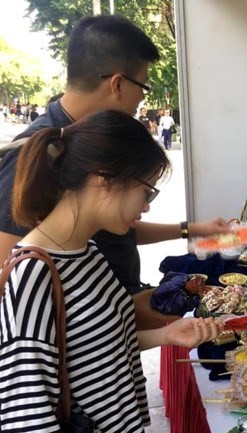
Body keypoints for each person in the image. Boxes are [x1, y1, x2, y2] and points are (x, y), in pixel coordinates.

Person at [0, 110, 224, 433]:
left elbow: (97, 347)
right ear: (104, 180)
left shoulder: (85, 251)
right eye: (146, 190)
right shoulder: (34, 275)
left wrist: (167, 335)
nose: (148, 205)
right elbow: (25, 425)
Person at [0, 15, 228, 328]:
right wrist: (105, 326)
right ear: (118, 83)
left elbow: (118, 226)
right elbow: (9, 276)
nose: (141, 101)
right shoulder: (36, 153)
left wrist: (190, 229)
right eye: (143, 87)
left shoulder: (92, 146)